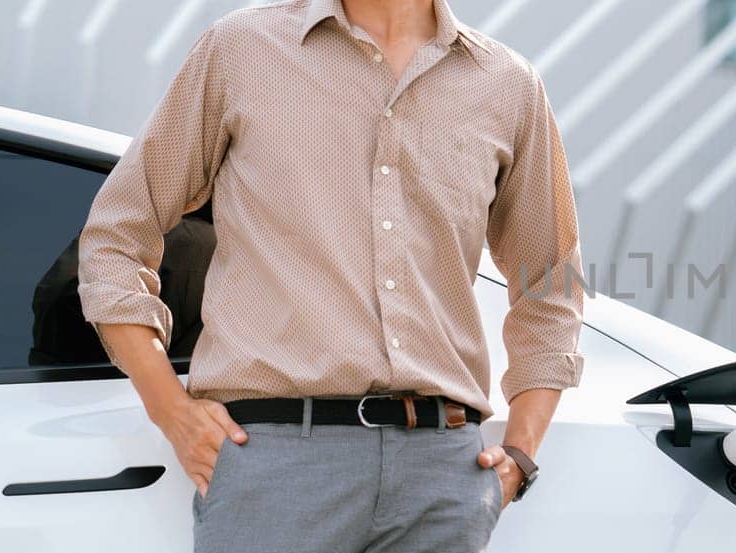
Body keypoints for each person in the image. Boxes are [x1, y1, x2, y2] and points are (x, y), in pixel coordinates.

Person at [76, 0, 584, 550]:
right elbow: (116, 236)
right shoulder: (242, 49)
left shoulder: (507, 85)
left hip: (442, 473)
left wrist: (520, 454)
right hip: (275, 466)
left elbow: (553, 282)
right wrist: (169, 409)